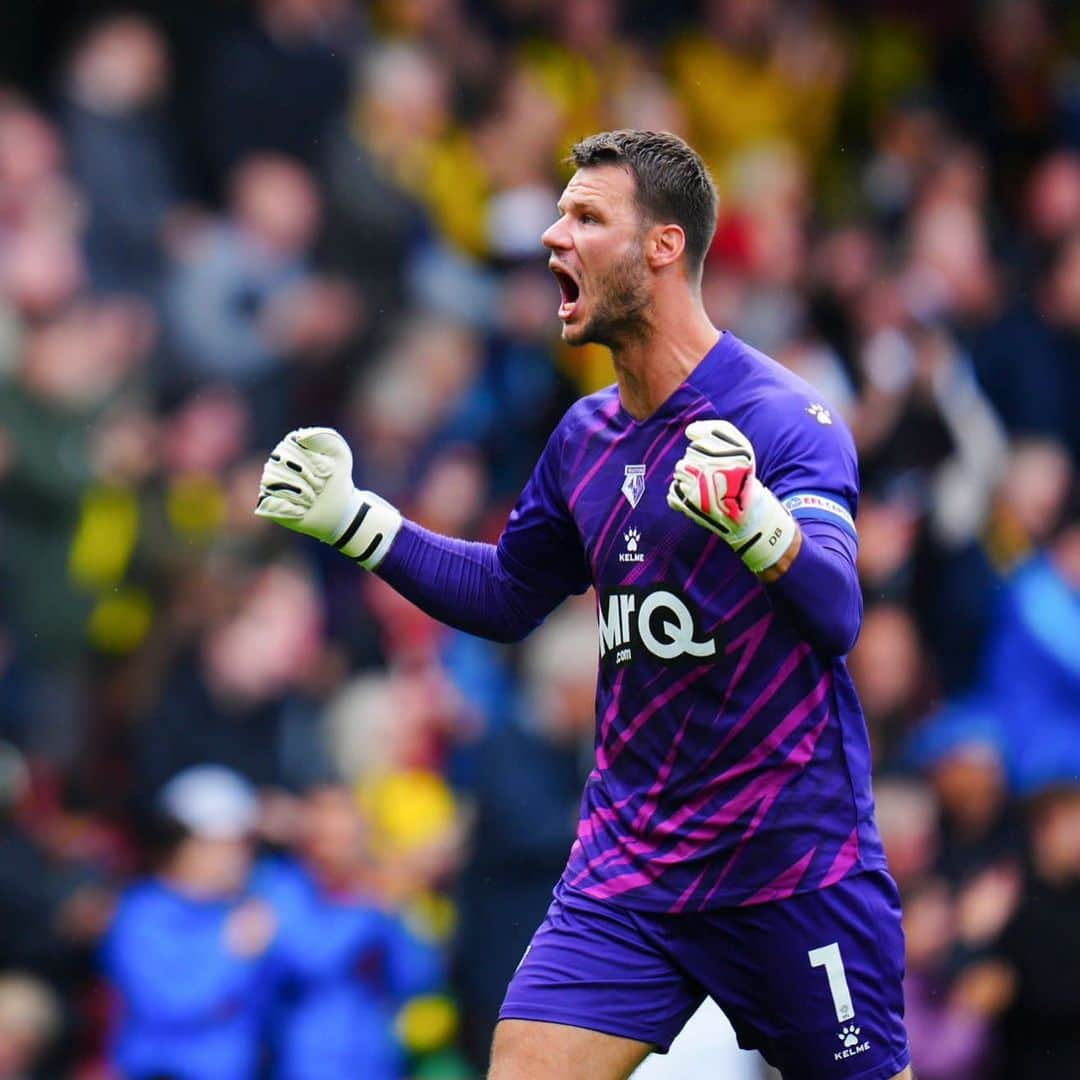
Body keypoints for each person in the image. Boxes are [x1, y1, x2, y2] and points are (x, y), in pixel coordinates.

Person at [256, 130, 911, 1080]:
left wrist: (754, 524)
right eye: (560, 216)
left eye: (586, 218)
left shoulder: (781, 418)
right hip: (630, 868)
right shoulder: (584, 438)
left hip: (787, 866)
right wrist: (359, 521)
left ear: (664, 246)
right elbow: (510, 593)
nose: (556, 238)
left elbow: (838, 609)